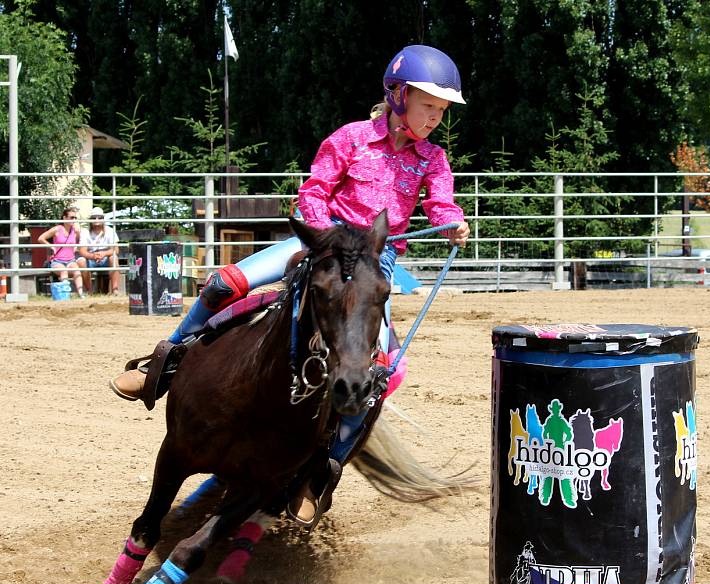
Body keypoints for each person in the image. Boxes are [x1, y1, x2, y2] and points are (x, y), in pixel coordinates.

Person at [110, 44, 470, 525]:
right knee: (223, 282)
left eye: (442, 111)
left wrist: (453, 223)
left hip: (372, 262)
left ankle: (322, 472)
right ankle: (166, 362)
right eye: (430, 106)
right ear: (400, 96)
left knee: (385, 372)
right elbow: (314, 193)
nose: (436, 118)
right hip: (321, 243)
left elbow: (441, 206)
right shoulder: (350, 139)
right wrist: (325, 244)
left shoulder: (433, 159)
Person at [38, 206, 86, 298]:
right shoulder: (57, 229)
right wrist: (51, 246)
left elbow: (77, 242)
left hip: (71, 260)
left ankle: (81, 294)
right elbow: (41, 238)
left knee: (77, 271)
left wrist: (76, 245)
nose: (74, 220)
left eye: (75, 218)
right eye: (72, 217)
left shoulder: (75, 230)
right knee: (64, 271)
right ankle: (65, 294)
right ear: (64, 218)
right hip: (57, 261)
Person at [79, 206, 121, 295]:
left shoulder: (110, 231)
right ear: (90, 219)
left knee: (114, 258)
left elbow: (116, 249)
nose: (97, 219)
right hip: (90, 258)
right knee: (81, 261)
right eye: (94, 217)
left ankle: (115, 290)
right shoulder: (85, 232)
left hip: (105, 257)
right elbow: (82, 251)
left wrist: (104, 253)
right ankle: (89, 291)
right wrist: (93, 256)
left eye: (100, 217)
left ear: (103, 219)